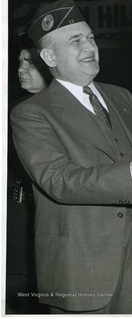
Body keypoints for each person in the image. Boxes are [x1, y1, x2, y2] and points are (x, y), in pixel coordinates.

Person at [10, 0, 132, 315]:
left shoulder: (123, 97)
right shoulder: (31, 114)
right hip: (80, 269)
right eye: (76, 41)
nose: (89, 47)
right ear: (49, 56)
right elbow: (58, 180)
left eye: (90, 37)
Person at [6, 30, 52, 314]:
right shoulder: (14, 109)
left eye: (29, 63)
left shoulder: (63, 112)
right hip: (14, 225)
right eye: (19, 62)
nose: (20, 69)